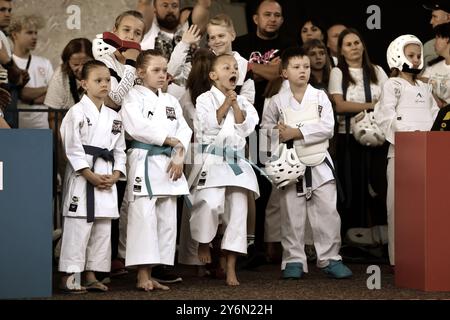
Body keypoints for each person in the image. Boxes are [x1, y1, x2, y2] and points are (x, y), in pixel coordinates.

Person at [261, 46, 352, 279]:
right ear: (284, 73)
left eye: (306, 67)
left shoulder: (320, 96)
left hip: (319, 160)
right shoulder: (276, 101)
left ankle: (330, 258)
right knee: (291, 214)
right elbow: (266, 128)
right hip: (290, 164)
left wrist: (296, 131)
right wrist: (278, 134)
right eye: (296, 67)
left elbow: (327, 128)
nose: (303, 71)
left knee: (327, 213)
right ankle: (293, 260)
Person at [120, 49, 192, 291]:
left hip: (170, 164)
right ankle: (142, 274)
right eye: (156, 70)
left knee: (167, 220)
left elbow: (184, 131)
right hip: (144, 160)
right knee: (143, 218)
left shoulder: (171, 101)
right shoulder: (132, 97)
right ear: (141, 73)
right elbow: (136, 127)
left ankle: (156, 271)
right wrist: (168, 140)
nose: (162, 75)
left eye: (164, 71)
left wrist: (180, 156)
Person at [189, 54, 259, 285]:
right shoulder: (204, 99)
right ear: (213, 75)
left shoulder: (244, 101)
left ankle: (230, 267)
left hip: (237, 163)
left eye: (235, 68)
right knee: (209, 203)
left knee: (238, 213)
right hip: (213, 159)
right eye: (226, 67)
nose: (233, 70)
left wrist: (236, 103)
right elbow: (209, 124)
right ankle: (204, 241)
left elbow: (245, 127)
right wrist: (226, 103)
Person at [58, 60, 127, 294]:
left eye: (108, 80)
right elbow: (72, 149)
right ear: (84, 84)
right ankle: (70, 275)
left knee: (102, 228)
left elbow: (120, 150)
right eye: (98, 80)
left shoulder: (114, 116)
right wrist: (89, 175)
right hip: (83, 177)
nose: (105, 84)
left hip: (106, 176)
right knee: (79, 228)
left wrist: (116, 174)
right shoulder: (75, 113)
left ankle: (91, 274)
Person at [233, 0, 293, 267]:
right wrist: (268, 72)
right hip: (243, 123)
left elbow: (282, 74)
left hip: (274, 126)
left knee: (270, 186)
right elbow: (234, 75)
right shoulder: (240, 44)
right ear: (255, 18)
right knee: (247, 185)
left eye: (277, 15)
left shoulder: (291, 45)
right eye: (267, 14)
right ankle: (248, 246)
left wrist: (250, 68)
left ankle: (267, 245)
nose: (272, 19)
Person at [374, 35, 439, 266]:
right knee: (399, 207)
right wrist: (409, 136)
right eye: (410, 55)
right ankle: (398, 260)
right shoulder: (393, 85)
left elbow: (434, 116)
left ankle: (425, 256)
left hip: (426, 154)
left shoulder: (425, 86)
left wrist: (430, 137)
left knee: (425, 206)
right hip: (401, 153)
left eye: (418, 56)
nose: (415, 59)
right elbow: (384, 117)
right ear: (398, 56)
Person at [328, 29, 389, 252]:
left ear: (363, 45)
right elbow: (340, 105)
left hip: (379, 139)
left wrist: (375, 108)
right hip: (349, 140)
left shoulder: (377, 71)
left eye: (357, 42)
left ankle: (381, 240)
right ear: (341, 50)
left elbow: (389, 102)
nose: (354, 47)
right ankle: (354, 239)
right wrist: (372, 106)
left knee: (379, 187)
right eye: (348, 44)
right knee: (355, 187)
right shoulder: (338, 72)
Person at [95, 10, 145, 110]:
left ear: (142, 39)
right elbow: (117, 99)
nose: (131, 37)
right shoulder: (104, 63)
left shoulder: (146, 63)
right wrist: (131, 61)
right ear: (115, 31)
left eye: (137, 33)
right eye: (126, 30)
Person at [10, 14, 53, 129]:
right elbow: (15, 95)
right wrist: (46, 88)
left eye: (36, 33)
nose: (34, 37)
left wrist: (25, 96)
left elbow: (53, 96)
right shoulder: (8, 63)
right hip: (14, 126)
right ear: (15, 35)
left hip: (42, 126)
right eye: (29, 33)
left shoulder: (45, 63)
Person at [140, 0, 211, 56]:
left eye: (174, 6)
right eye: (165, 5)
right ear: (154, 8)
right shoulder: (147, 30)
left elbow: (204, 4)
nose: (170, 10)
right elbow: (144, 2)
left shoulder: (189, 32)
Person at [0, 0, 29, 127]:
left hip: (7, 92)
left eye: (9, 10)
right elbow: (5, 60)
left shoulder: (2, 36)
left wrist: (17, 73)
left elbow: (9, 68)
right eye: (2, 10)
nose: (7, 14)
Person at [423, 22, 450, 107]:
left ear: (447, 39)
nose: (434, 43)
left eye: (437, 37)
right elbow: (420, 85)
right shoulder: (432, 67)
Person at [422, 1, 450, 65]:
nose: (431, 21)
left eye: (435, 17)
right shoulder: (429, 46)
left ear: (448, 17)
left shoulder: (430, 46)